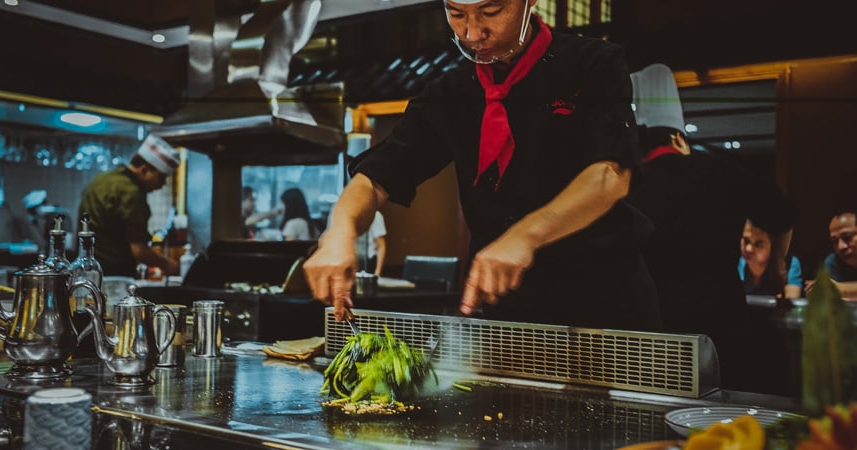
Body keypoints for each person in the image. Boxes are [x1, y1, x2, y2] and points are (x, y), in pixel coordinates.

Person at [303, 0, 662, 332]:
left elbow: (611, 174)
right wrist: (340, 230)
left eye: (490, 11)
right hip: (508, 309)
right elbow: (376, 176)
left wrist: (524, 236)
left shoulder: (591, 63)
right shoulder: (449, 93)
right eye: (457, 14)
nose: (473, 33)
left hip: (605, 302)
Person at [625, 63, 795, 392]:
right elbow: (783, 213)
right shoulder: (717, 170)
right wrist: (776, 267)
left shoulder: (627, 186)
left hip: (655, 336)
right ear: (678, 136)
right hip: (723, 325)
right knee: (727, 411)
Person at [77, 134, 181, 278]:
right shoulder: (131, 193)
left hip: (85, 272)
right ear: (144, 170)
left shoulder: (103, 180)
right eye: (162, 177)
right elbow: (140, 251)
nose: (163, 184)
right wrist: (170, 266)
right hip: (113, 275)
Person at [739, 220, 803, 298]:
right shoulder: (737, 263)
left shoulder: (791, 264)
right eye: (746, 241)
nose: (748, 249)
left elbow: (791, 303)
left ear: (773, 247)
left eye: (758, 244)